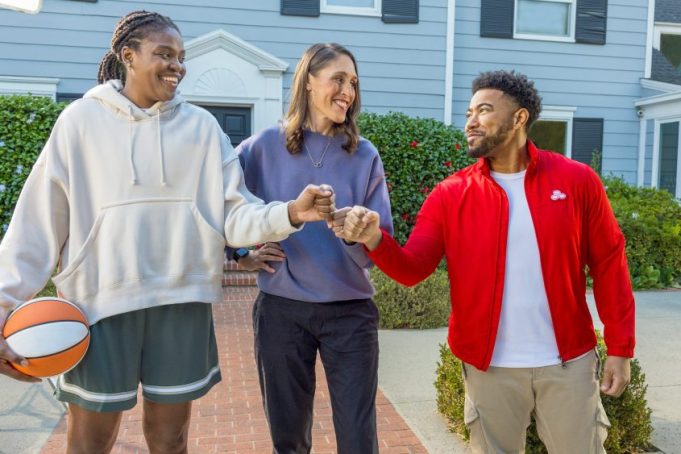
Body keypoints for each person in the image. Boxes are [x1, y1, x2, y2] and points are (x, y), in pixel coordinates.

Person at [0, 11, 333, 454]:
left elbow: (235, 213)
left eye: (181, 56)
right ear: (128, 56)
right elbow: (36, 223)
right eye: (164, 54)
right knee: (89, 442)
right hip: (98, 306)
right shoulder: (79, 122)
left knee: (171, 440)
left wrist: (291, 212)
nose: (177, 65)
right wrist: (4, 304)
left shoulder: (201, 128)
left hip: (182, 303)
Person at [333, 70, 636, 453]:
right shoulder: (451, 194)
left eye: (484, 110)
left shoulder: (577, 181)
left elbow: (610, 263)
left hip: (568, 363)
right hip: (488, 367)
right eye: (468, 113)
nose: (471, 122)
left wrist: (621, 347)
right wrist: (373, 239)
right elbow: (412, 269)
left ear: (519, 118)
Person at [230, 43, 393, 453]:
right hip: (282, 311)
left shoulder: (365, 155)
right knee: (288, 437)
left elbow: (383, 241)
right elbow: (221, 208)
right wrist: (239, 256)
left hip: (350, 313)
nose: (348, 92)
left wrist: (357, 232)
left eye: (353, 83)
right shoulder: (260, 147)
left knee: (358, 440)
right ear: (307, 82)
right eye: (338, 79)